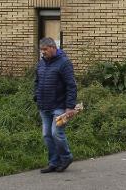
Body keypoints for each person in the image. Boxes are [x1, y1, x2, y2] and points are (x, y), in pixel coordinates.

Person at [34, 37, 77, 173]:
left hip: (59, 106)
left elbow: (71, 86)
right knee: (47, 135)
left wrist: (70, 106)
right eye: (41, 50)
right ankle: (53, 162)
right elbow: (37, 81)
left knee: (56, 133)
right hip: (44, 106)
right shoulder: (41, 63)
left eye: (45, 49)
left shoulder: (64, 63)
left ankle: (66, 157)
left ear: (53, 48)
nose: (43, 52)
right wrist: (36, 96)